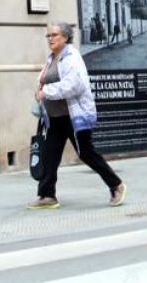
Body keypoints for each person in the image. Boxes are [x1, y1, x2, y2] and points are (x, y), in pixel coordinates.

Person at [29, 21, 127, 209]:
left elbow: (74, 85)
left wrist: (46, 91)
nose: (50, 39)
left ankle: (116, 185)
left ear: (65, 37)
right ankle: (47, 195)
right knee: (50, 155)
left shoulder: (72, 57)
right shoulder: (52, 58)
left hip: (74, 117)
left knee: (86, 153)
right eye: (48, 36)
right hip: (55, 117)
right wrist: (40, 91)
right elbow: (47, 81)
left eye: (54, 35)